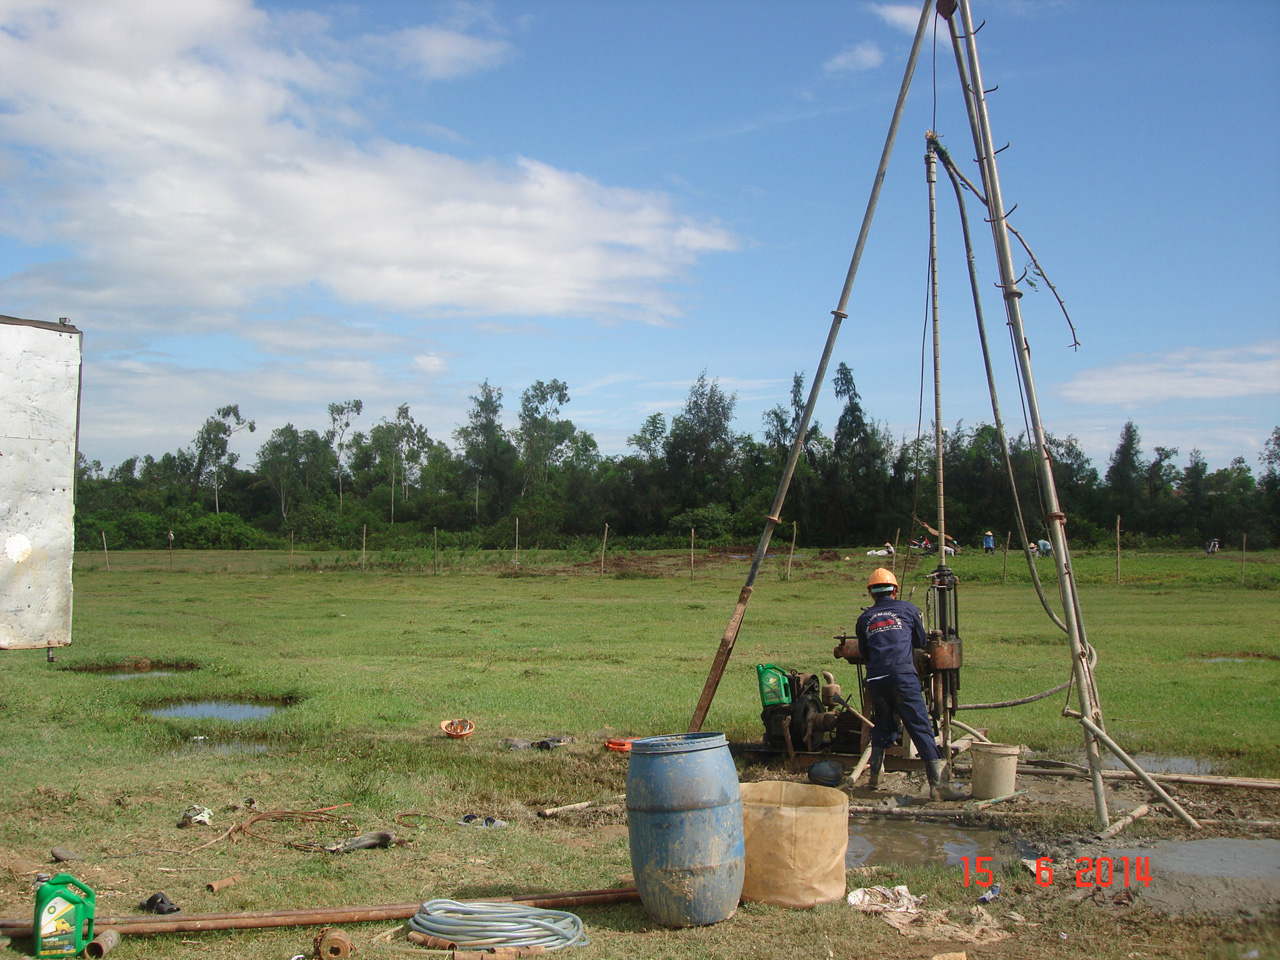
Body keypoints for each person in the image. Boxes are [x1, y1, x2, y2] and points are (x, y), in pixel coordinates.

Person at [855, 568, 964, 801]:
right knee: (919, 726)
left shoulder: (864, 619)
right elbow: (920, 641)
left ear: (871, 594)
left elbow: (865, 652)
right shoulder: (907, 609)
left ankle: (875, 776)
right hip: (903, 676)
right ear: (895, 590)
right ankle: (938, 787)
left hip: (875, 679)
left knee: (883, 724)